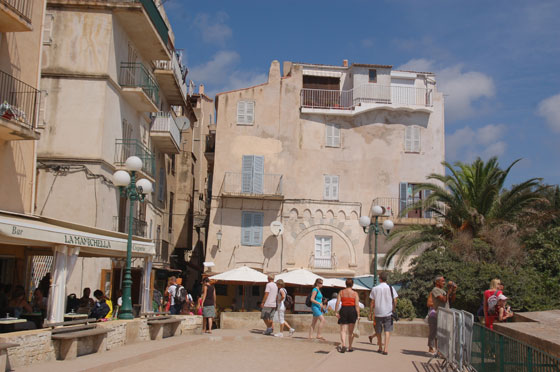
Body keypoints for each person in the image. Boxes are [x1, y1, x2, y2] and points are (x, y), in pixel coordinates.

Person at [369, 271, 398, 355]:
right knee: (387, 330)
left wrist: (370, 312)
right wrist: (393, 309)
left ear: (380, 279)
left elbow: (372, 302)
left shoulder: (375, 288)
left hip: (378, 312)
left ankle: (380, 347)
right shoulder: (391, 288)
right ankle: (386, 349)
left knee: (378, 330)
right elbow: (395, 300)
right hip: (388, 312)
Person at [427, 276, 456, 354]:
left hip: (445, 315)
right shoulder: (435, 290)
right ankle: (433, 348)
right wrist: (449, 290)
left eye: (444, 281)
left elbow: (451, 300)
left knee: (444, 333)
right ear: (437, 282)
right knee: (436, 333)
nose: (444, 282)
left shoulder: (443, 291)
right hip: (439, 314)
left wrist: (453, 291)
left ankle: (441, 350)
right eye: (442, 281)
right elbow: (443, 300)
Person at [335, 278, 360, 353]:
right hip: (352, 310)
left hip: (344, 310)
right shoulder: (355, 293)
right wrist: (358, 315)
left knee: (343, 330)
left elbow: (337, 302)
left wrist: (336, 312)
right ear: (352, 284)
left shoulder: (341, 292)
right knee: (351, 331)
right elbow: (356, 305)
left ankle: (343, 345)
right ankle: (350, 346)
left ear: (345, 284)